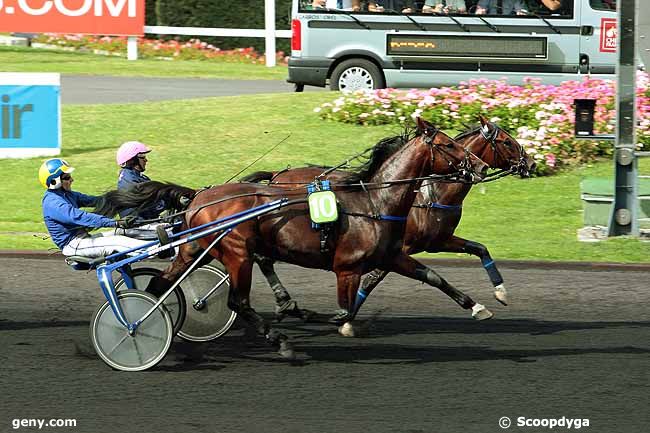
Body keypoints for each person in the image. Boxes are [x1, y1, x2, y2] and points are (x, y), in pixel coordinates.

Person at [40, 158, 153, 258]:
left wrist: (122, 198)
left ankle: (158, 237)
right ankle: (156, 250)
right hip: (74, 245)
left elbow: (94, 200)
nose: (72, 180)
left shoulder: (67, 194)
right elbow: (80, 217)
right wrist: (114, 222)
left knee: (122, 231)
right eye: (67, 177)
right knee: (118, 241)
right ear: (54, 182)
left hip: (83, 239)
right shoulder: (53, 203)